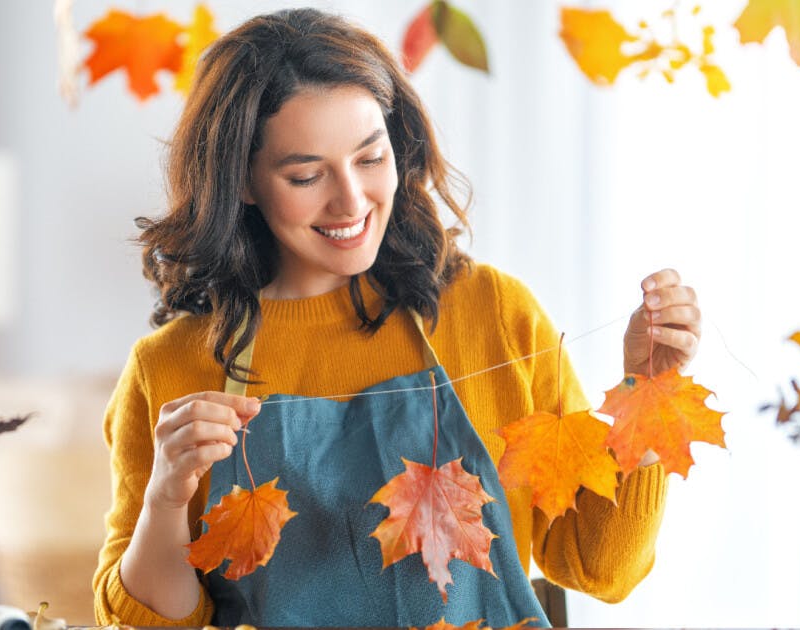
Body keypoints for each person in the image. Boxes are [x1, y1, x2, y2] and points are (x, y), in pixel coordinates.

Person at [93, 7, 701, 628]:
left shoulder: (492, 311)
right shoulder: (167, 368)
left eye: (369, 157)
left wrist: (645, 391)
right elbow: (143, 622)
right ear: (244, 181)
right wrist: (166, 498)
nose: (351, 201)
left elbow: (602, 566)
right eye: (306, 174)